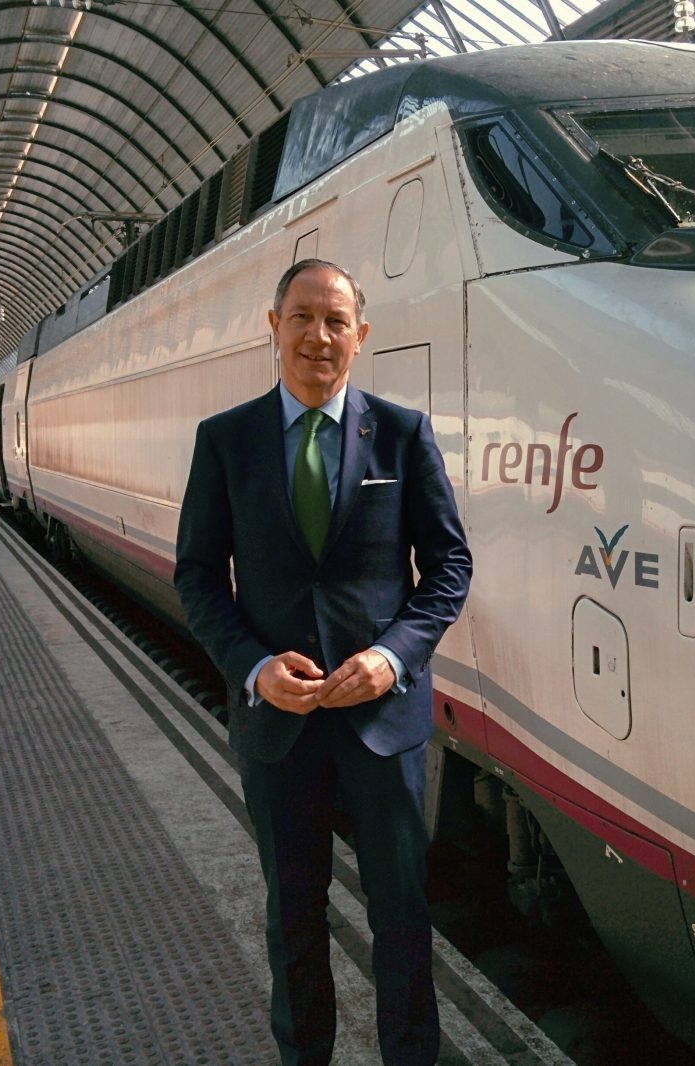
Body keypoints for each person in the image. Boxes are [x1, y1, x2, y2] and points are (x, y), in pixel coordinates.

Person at [173, 259, 472, 1066]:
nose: (319, 336)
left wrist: (392, 657)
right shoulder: (225, 441)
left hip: (383, 719)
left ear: (361, 336)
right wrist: (254, 667)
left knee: (403, 918)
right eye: (302, 317)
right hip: (279, 724)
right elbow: (197, 576)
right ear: (273, 328)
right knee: (293, 917)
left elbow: (449, 567)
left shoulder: (402, 434)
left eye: (336, 321)